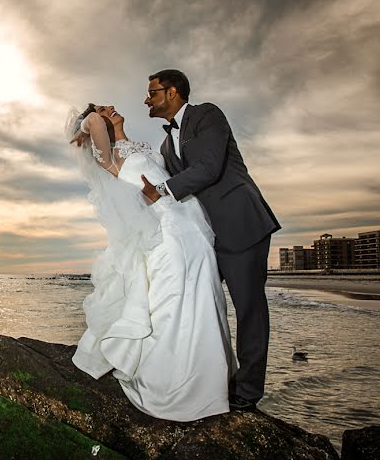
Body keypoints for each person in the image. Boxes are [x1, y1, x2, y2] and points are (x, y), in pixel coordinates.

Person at [67, 104, 236, 421]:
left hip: (191, 228)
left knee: (203, 297)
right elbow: (93, 126)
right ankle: (176, 385)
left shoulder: (128, 145)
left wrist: (108, 124)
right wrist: (86, 119)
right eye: (105, 108)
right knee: (173, 301)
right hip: (165, 232)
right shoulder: (110, 157)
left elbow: (158, 171)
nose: (112, 107)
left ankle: (210, 379)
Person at [139, 69, 280, 412]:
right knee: (198, 303)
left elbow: (208, 167)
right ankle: (208, 378)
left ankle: (247, 394)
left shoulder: (207, 115)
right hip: (205, 236)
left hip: (239, 224)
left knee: (249, 311)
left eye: (152, 92)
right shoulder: (164, 143)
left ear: (172, 92)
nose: (147, 99)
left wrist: (161, 191)